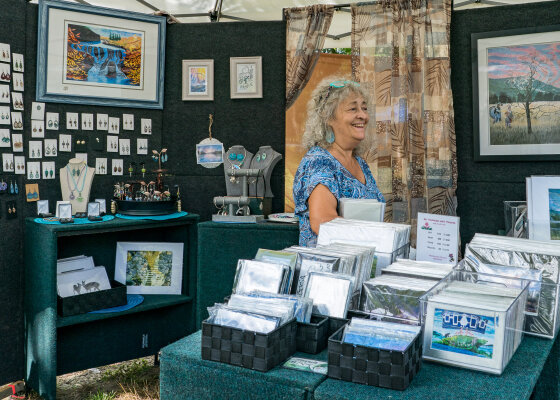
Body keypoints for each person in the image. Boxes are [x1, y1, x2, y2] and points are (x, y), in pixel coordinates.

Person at [292, 77, 385, 247]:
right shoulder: (320, 162)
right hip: (331, 269)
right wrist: (379, 237)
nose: (363, 115)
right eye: (352, 108)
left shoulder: (360, 163)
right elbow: (323, 221)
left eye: (364, 108)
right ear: (328, 117)